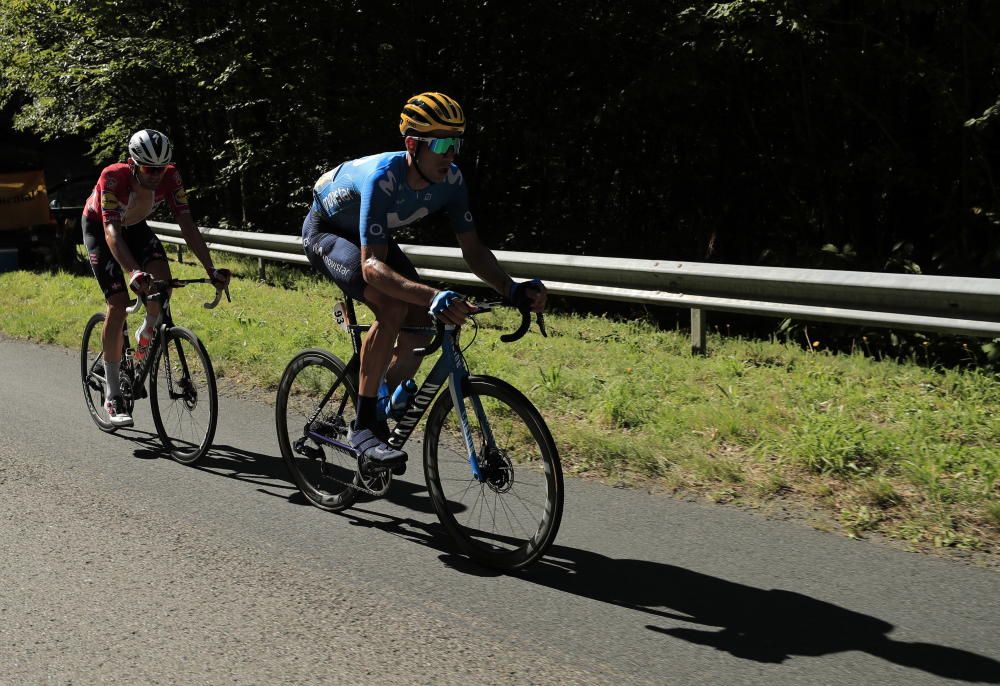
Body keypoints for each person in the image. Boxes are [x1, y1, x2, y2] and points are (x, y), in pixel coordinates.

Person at [302, 91, 546, 472]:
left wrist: (511, 288)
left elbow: (474, 251)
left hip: (370, 238)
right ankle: (364, 427)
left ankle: (377, 400)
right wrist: (434, 294)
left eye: (457, 143)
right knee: (393, 305)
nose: (452, 154)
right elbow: (370, 268)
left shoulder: (451, 180)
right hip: (327, 233)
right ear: (413, 144)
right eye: (443, 144)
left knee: (419, 328)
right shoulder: (384, 178)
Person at [82, 128, 231, 428]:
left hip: (135, 227)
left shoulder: (171, 177)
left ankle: (146, 333)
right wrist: (134, 272)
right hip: (101, 229)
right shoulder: (113, 177)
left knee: (163, 283)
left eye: (160, 169)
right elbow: (112, 233)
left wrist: (210, 269)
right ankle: (113, 396)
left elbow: (187, 225)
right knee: (118, 302)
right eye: (149, 169)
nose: (155, 176)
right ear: (133, 163)